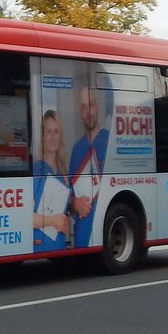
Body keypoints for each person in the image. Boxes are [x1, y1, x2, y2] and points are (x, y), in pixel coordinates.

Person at [68, 86, 110, 248]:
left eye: (91, 104)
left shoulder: (110, 141)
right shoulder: (76, 149)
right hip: (82, 233)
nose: (88, 111)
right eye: (83, 107)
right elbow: (69, 196)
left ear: (97, 107)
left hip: (104, 228)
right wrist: (75, 203)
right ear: (80, 112)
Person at [32, 110, 72, 252]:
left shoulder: (64, 173)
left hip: (59, 249)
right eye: (48, 131)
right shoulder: (37, 170)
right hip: (39, 249)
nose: (53, 137)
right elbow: (26, 217)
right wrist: (53, 220)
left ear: (61, 136)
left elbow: (66, 213)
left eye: (56, 131)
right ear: (42, 136)